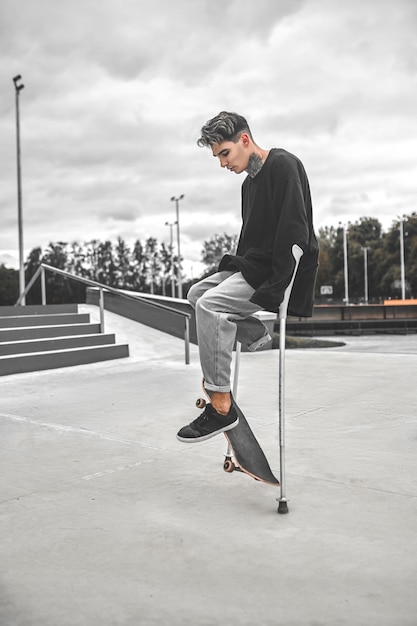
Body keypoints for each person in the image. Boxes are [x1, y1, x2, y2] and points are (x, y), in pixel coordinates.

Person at [177, 111, 319, 443]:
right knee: (197, 294)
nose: (222, 163)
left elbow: (297, 231)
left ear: (244, 140)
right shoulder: (247, 186)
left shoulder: (284, 165)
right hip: (254, 267)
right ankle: (253, 333)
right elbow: (250, 241)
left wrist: (276, 288)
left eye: (225, 153)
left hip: (280, 271)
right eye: (217, 157)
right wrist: (233, 271)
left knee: (211, 307)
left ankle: (221, 405)